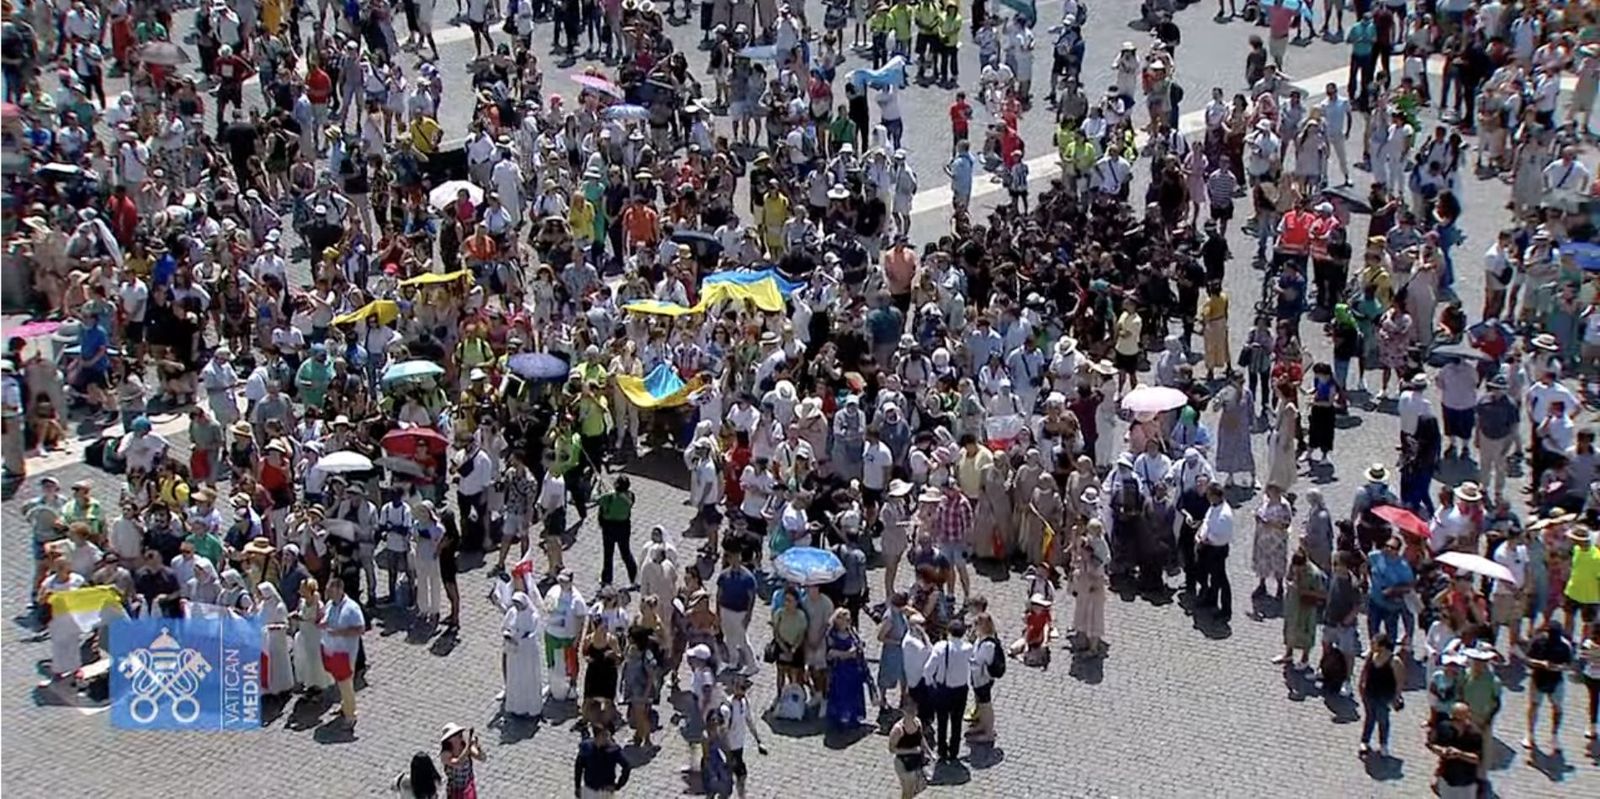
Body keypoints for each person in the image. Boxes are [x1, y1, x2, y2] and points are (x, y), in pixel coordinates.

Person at [923, 618, 973, 763]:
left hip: (943, 689)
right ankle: (954, 751)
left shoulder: (940, 647)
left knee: (942, 721)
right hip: (961, 690)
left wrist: (930, 684)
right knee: (957, 722)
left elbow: (928, 670)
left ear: (948, 632)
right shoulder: (968, 648)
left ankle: (942, 750)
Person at [1522, 619, 1575, 755]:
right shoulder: (1537, 641)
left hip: (1556, 680)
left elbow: (1569, 665)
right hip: (1538, 678)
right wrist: (1541, 663)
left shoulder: (1565, 645)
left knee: (1557, 708)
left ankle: (1554, 736)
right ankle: (1530, 734)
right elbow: (1527, 660)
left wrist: (1559, 667)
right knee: (1534, 706)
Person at [319, 576, 365, 726]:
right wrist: (323, 623)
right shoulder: (330, 604)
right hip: (332, 650)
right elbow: (327, 618)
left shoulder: (351, 608)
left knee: (345, 683)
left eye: (330, 590)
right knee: (340, 681)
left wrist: (340, 632)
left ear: (339, 590)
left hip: (346, 653)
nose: (327, 592)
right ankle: (345, 706)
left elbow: (360, 628)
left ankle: (351, 715)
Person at [1358, 632, 1405, 758]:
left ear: (1382, 646)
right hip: (1370, 692)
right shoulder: (1371, 655)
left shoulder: (1394, 661)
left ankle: (1383, 744)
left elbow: (1400, 681)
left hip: (1384, 694)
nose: (1371, 645)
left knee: (1383, 719)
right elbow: (1365, 671)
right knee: (1369, 718)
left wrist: (1396, 696)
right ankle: (1365, 741)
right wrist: (1361, 685)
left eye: (1374, 643)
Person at [501, 592, 545, 719]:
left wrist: (520, 640)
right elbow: (505, 626)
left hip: (528, 654)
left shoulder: (533, 616)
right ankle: (516, 707)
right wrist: (508, 634)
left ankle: (531, 708)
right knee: (515, 678)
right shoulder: (512, 612)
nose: (517, 606)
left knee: (528, 678)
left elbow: (535, 634)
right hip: (514, 654)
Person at [1428, 702, 1484, 799]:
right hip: (1447, 777)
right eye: (1456, 720)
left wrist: (1460, 754)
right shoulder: (1443, 727)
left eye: (1462, 719)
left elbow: (1477, 759)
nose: (1459, 723)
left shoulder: (1475, 734)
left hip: (1467, 781)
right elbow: (1431, 744)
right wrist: (1441, 750)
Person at [573, 721, 632, 797]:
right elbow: (579, 767)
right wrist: (577, 786)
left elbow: (626, 766)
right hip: (590, 787)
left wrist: (618, 785)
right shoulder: (586, 747)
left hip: (606, 789)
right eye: (605, 735)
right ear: (597, 736)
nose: (608, 738)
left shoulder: (614, 750)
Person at [438, 724, 484, 799]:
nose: (460, 735)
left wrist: (478, 748)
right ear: (449, 739)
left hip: (468, 787)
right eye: (455, 734)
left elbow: (482, 758)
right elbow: (458, 763)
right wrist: (468, 747)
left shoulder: (465, 746)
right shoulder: (445, 754)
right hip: (455, 791)